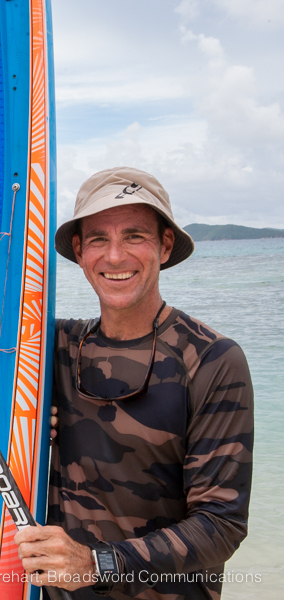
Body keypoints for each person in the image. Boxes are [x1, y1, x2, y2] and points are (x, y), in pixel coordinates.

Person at [15, 167, 253, 599]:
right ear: (79, 250)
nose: (115, 256)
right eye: (99, 239)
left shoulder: (211, 359)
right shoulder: (51, 348)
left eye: (135, 236)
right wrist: (26, 426)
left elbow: (221, 524)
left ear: (164, 245)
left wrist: (97, 563)